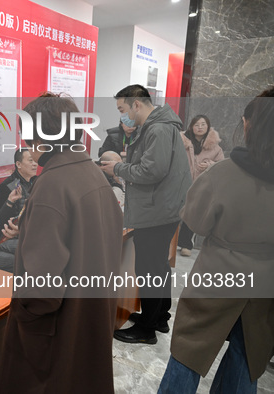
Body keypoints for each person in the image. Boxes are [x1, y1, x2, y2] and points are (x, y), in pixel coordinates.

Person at [0, 93, 123, 393]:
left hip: (56, 338)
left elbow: (42, 290)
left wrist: (23, 315)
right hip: (90, 320)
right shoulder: (91, 173)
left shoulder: (51, 185)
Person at [158, 86, 274, 393]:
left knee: (188, 353)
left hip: (219, 275)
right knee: (246, 356)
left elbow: (194, 223)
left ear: (249, 123)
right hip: (266, 284)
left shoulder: (224, 173)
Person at [100, 84, 191, 344]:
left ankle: (147, 329)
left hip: (157, 210)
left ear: (136, 104)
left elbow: (152, 171)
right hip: (163, 207)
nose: (122, 116)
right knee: (159, 265)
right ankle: (158, 317)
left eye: (122, 109)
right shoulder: (160, 126)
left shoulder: (158, 128)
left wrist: (118, 168)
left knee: (149, 268)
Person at [178, 115, 224, 256]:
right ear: (191, 126)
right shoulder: (181, 141)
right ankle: (170, 242)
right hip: (180, 182)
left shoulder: (215, 147)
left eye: (203, 124)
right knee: (174, 213)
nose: (200, 127)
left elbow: (221, 165)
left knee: (192, 213)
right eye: (196, 124)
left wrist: (210, 165)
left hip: (201, 185)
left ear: (208, 127)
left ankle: (186, 244)